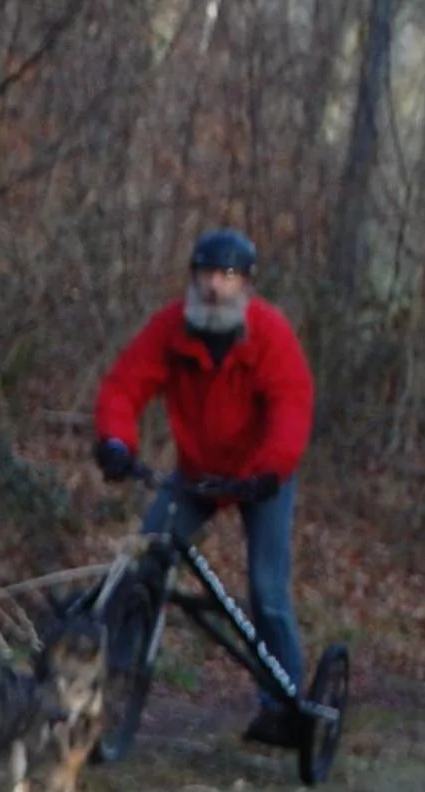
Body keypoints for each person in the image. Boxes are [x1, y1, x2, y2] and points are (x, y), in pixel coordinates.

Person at [93, 227, 316, 748]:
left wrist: (270, 470)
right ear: (193, 278)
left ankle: (281, 704)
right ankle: (108, 680)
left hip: (262, 477)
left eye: (228, 276)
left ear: (246, 285)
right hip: (196, 474)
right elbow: (124, 387)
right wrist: (115, 443)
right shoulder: (171, 328)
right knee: (142, 565)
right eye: (207, 274)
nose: (215, 286)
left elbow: (292, 407)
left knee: (267, 589)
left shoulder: (270, 334)